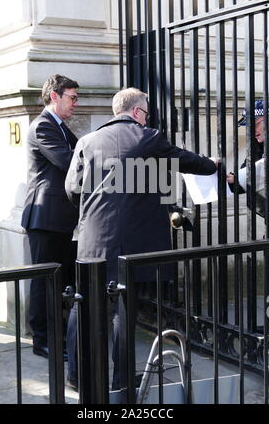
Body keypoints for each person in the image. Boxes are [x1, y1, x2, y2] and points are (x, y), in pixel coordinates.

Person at [65, 87, 218, 389]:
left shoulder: (86, 141)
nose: (147, 120)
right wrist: (212, 164)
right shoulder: (148, 138)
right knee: (123, 309)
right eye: (146, 114)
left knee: (82, 306)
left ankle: (76, 376)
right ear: (137, 112)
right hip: (131, 244)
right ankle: (121, 380)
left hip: (92, 239)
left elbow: (72, 189)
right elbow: (184, 160)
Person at [21, 74, 80, 359]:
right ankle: (42, 340)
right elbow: (68, 161)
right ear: (55, 96)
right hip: (45, 217)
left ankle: (57, 336)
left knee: (58, 280)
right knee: (44, 281)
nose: (75, 104)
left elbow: (80, 152)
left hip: (60, 218)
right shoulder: (44, 125)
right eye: (72, 97)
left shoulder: (60, 126)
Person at [227, 99, 266, 217]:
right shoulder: (256, 145)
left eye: (256, 124)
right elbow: (245, 176)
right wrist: (233, 180)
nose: (253, 131)